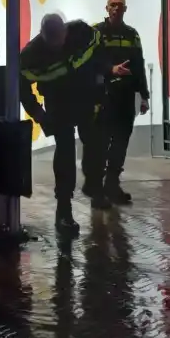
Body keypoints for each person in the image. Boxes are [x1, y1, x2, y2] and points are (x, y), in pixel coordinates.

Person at [21, 14, 130, 235]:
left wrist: (109, 70)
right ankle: (64, 210)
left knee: (96, 144)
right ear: (43, 36)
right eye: (51, 41)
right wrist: (39, 115)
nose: (56, 45)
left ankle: (94, 186)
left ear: (65, 32)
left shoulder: (82, 32)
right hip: (58, 105)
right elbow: (21, 87)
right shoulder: (31, 55)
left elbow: (98, 55)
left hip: (87, 99)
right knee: (65, 153)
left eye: (59, 39)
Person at [90, 0, 149, 206]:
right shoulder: (96, 32)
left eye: (120, 6)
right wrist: (111, 70)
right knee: (101, 144)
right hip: (103, 97)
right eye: (113, 5)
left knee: (120, 144)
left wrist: (144, 95)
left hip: (125, 98)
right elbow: (90, 62)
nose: (116, 8)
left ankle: (112, 186)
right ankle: (97, 192)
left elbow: (139, 65)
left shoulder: (132, 35)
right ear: (106, 8)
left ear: (125, 9)